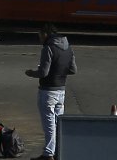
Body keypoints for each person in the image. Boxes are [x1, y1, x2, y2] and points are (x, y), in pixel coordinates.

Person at [25, 23, 77, 160]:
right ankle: (58, 151)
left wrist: (31, 73)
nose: (40, 39)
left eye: (40, 36)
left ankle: (48, 154)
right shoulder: (68, 48)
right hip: (61, 91)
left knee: (49, 125)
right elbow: (73, 70)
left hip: (48, 91)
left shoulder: (48, 48)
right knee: (58, 123)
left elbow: (43, 72)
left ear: (46, 34)